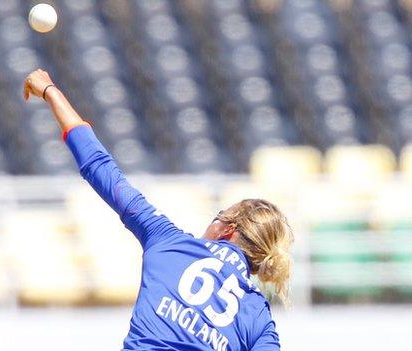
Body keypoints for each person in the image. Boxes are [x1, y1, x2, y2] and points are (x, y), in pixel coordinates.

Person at [23, 69, 294, 351]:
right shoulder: (258, 315)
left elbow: (100, 168)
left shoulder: (169, 240)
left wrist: (51, 91)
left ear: (228, 229)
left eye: (217, 216)